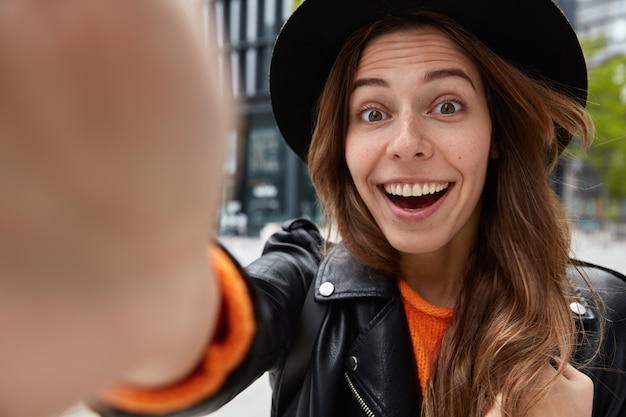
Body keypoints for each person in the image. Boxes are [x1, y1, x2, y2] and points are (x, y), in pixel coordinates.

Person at [93, 0, 626, 416]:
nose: (406, 143)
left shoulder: (610, 320)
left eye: (446, 105)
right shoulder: (304, 283)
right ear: (341, 146)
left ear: (496, 133)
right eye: (372, 112)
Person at [0, 1, 229, 416]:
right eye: (372, 113)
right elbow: (233, 317)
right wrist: (147, 284)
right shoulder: (314, 275)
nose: (392, 147)